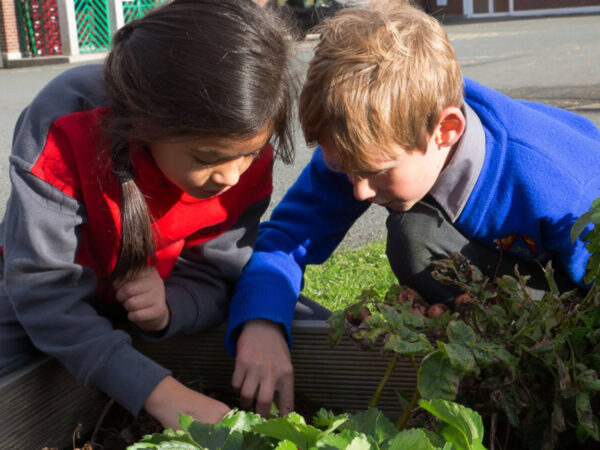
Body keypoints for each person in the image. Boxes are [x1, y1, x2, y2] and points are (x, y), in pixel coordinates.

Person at [226, 0, 600, 418]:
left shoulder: (556, 185)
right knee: (416, 234)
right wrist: (262, 321)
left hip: (578, 282)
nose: (361, 191)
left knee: (417, 235)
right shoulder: (364, 140)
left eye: (374, 173)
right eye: (345, 171)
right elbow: (288, 237)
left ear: (446, 131)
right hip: (509, 259)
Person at [0, 0, 298, 429]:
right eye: (206, 157)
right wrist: (163, 395)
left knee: (306, 329)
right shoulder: (68, 120)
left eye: (249, 154)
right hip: (33, 300)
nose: (231, 177)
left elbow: (217, 273)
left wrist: (170, 307)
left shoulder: (245, 159)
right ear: (145, 121)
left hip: (149, 298)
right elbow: (43, 290)